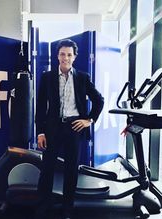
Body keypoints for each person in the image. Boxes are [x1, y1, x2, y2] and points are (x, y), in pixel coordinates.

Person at [35, 39, 104, 219]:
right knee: (47, 168)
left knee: (71, 170)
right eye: (62, 54)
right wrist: (40, 132)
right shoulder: (47, 77)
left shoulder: (82, 77)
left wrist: (89, 119)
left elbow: (99, 100)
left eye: (69, 55)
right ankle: (43, 206)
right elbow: (41, 106)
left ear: (74, 57)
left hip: (74, 127)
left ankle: (67, 208)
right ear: (57, 56)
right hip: (52, 128)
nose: (65, 58)